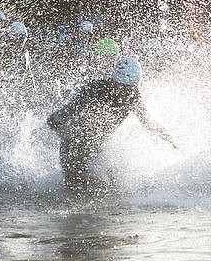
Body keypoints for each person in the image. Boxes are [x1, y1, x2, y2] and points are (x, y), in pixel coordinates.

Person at [47, 57, 177, 191]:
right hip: (73, 148)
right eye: (125, 88)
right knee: (76, 188)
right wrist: (64, 130)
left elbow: (149, 123)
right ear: (114, 82)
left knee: (112, 187)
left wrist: (170, 141)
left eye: (132, 88)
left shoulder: (133, 96)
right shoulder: (93, 91)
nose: (129, 94)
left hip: (98, 148)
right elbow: (53, 119)